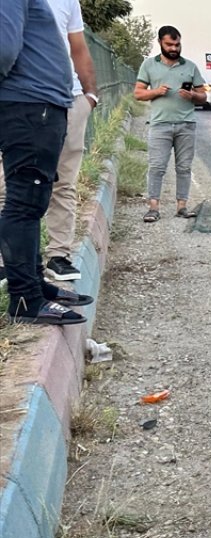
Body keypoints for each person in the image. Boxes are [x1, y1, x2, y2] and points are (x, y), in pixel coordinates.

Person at [0, 0, 95, 324]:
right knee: (24, 203)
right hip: (29, 106)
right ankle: (25, 299)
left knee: (34, 202)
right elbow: (4, 49)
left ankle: (34, 284)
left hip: (40, 105)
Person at [134, 25, 206, 222]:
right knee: (157, 167)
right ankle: (153, 207)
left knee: (184, 167)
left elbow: (203, 96)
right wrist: (156, 92)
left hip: (186, 125)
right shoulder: (149, 65)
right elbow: (138, 93)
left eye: (177, 44)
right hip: (160, 125)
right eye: (170, 44)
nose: (174, 48)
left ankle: (182, 206)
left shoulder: (190, 66)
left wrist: (192, 95)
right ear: (160, 43)